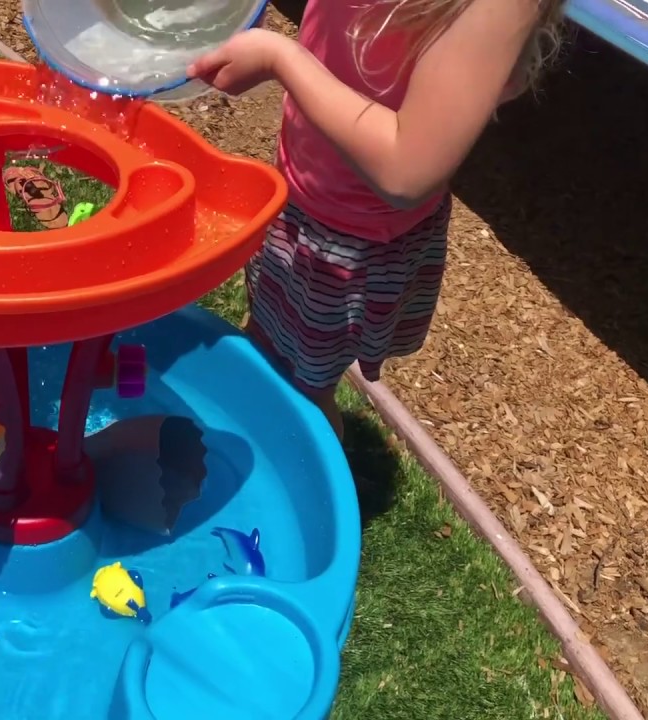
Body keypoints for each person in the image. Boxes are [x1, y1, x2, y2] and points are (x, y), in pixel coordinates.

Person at [188, 0, 565, 439]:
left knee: (304, 388)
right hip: (301, 199)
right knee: (269, 344)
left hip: (348, 244)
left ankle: (312, 491)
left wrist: (281, 59)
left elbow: (406, 171)